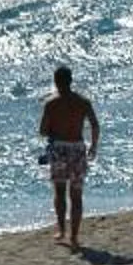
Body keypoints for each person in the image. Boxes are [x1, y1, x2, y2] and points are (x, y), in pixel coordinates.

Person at [38, 64, 99, 249]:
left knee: (59, 192)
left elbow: (43, 130)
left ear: (56, 81)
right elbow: (95, 125)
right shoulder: (83, 102)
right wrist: (93, 146)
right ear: (71, 81)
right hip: (78, 148)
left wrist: (54, 129)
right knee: (76, 195)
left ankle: (62, 230)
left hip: (59, 148)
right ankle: (74, 237)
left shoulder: (51, 104)